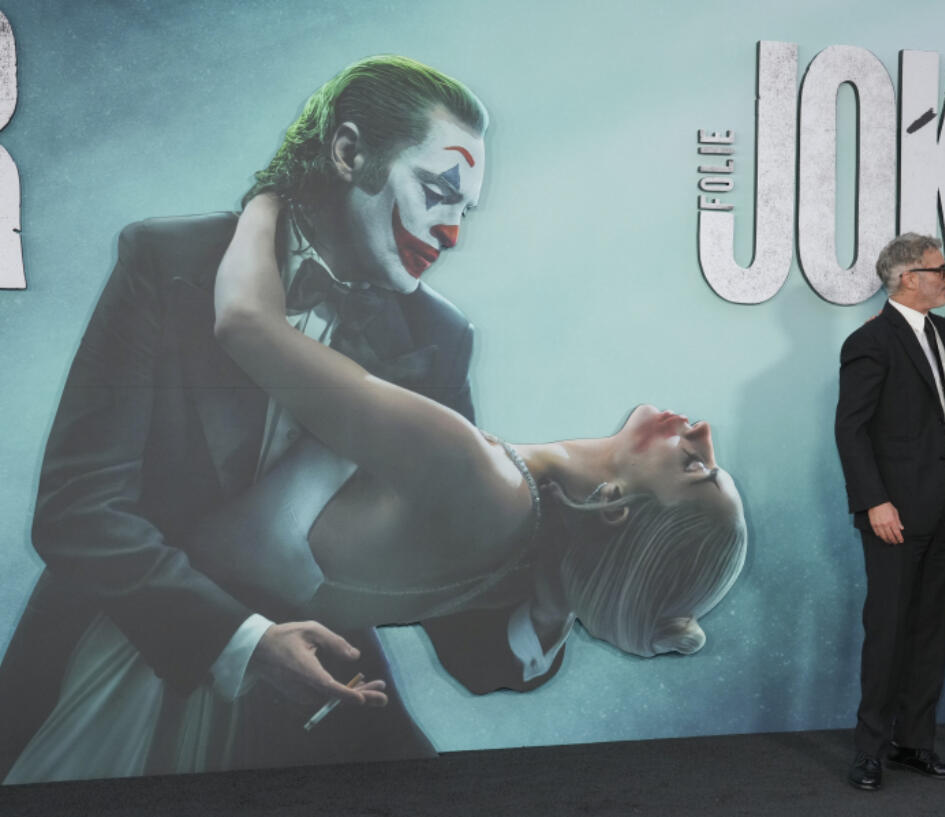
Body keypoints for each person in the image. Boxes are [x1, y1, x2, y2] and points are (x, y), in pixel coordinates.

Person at [5, 193, 747, 781]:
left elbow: (244, 323)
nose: (702, 432)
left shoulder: (474, 468)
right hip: (153, 636)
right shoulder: (522, 531)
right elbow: (485, 635)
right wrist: (565, 606)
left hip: (193, 656)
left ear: (615, 507)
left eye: (695, 468)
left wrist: (269, 194)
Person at [0, 55, 500, 779]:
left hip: (306, 717)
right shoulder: (167, 262)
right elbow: (79, 509)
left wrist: (565, 599)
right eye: (436, 192)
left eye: (464, 210)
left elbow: (449, 577)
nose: (450, 233)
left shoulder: (439, 341)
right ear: (348, 150)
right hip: (106, 679)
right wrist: (244, 641)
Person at [834, 233, 945, 791]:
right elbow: (851, 428)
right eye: (941, 271)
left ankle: (914, 743)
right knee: (888, 629)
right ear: (909, 277)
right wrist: (874, 501)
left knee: (932, 629)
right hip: (895, 511)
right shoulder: (871, 341)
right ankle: (869, 750)